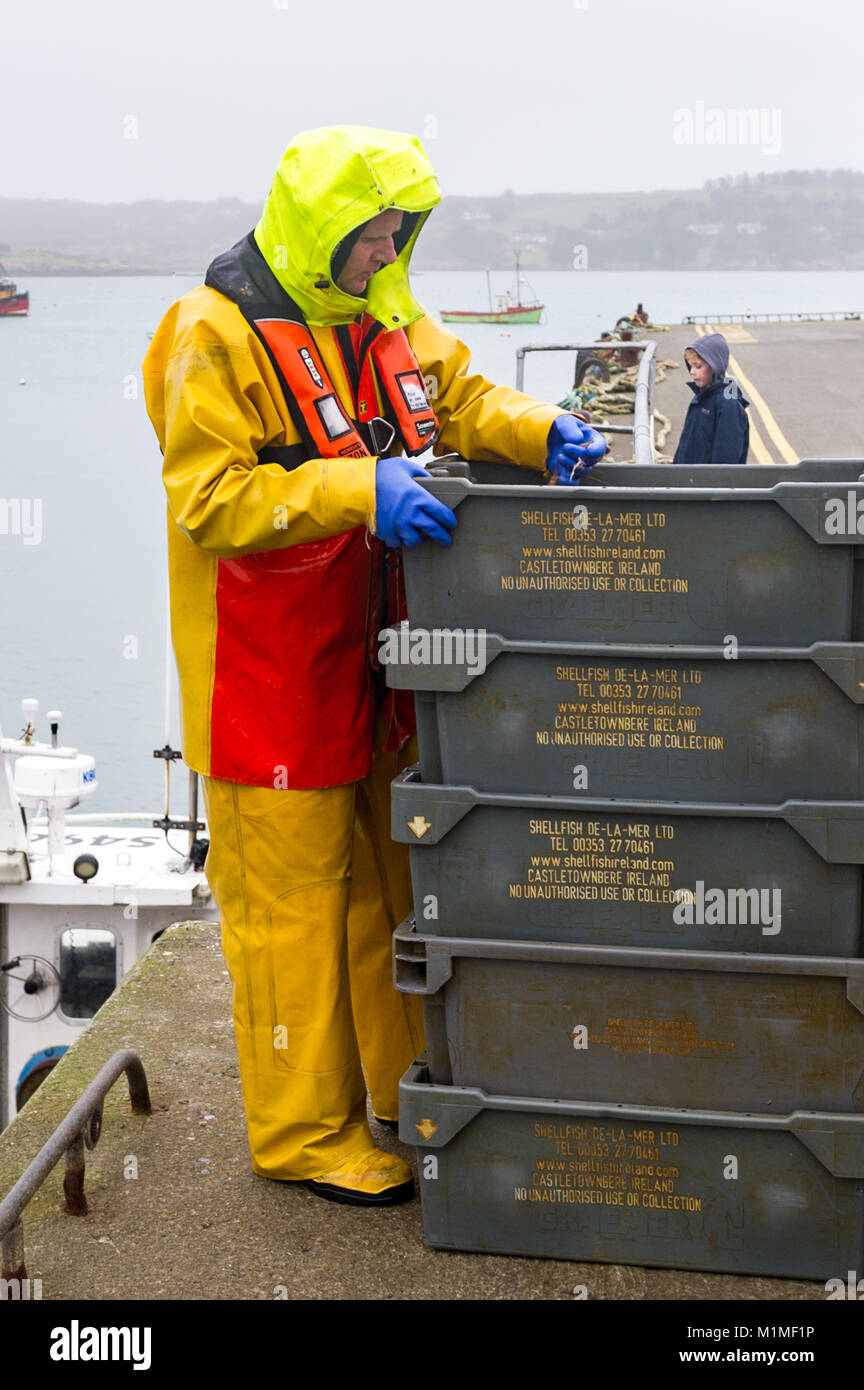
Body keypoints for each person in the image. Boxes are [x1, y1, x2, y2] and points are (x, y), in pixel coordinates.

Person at [142, 125, 606, 1208]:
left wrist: (543, 431)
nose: (389, 252)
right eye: (375, 234)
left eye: (402, 233)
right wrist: (362, 489)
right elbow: (209, 500)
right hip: (264, 684)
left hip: (376, 669)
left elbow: (464, 399)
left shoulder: (383, 317)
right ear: (322, 229)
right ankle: (303, 1136)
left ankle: (399, 1094)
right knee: (293, 916)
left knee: (393, 893)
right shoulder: (207, 333)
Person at [673, 333, 750, 467]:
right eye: (690, 366)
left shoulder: (728, 406)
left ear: (715, 366)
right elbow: (685, 446)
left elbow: (725, 463)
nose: (692, 372)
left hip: (705, 485)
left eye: (698, 366)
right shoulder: (701, 397)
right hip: (689, 481)